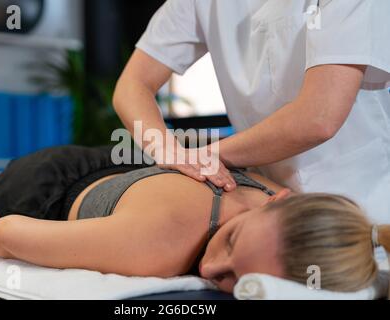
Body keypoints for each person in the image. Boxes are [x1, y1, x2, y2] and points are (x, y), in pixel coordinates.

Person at [0, 145, 388, 293]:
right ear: (279, 201)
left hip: (121, 169)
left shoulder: (273, 188)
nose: (211, 270)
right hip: (51, 187)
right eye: (230, 243)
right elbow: (9, 233)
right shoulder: (159, 241)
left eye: (235, 279)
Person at [113, 0, 390, 226]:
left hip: (362, 202)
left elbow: (319, 117)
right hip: (271, 205)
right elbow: (133, 84)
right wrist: (167, 150)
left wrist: (205, 156)